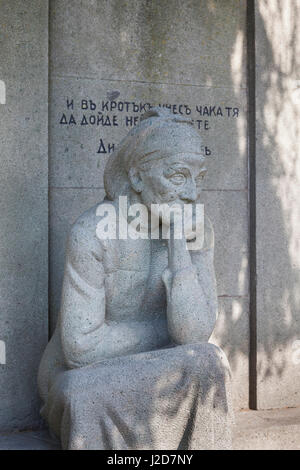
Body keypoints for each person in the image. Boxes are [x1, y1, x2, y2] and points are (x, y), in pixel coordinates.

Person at [38, 108, 233, 450]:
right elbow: (80, 349)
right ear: (138, 177)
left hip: (158, 371)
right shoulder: (93, 232)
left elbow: (195, 335)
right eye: (177, 176)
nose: (191, 193)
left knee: (209, 362)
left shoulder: (198, 231)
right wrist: (164, 332)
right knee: (80, 394)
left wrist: (178, 245)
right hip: (86, 379)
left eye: (198, 178)